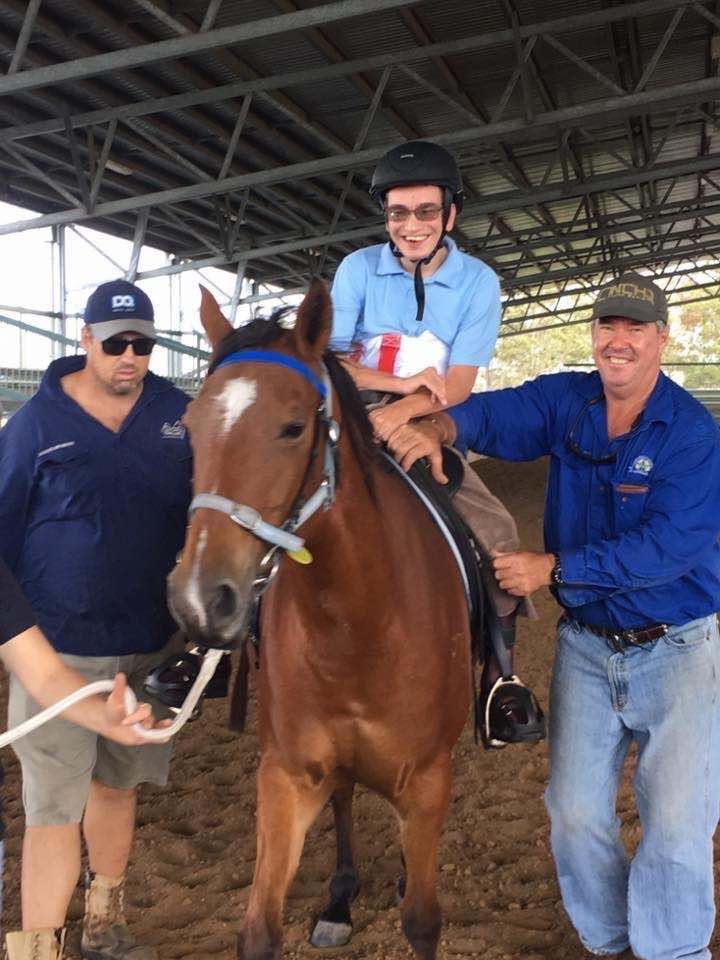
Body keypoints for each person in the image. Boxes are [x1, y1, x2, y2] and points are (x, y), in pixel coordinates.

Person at [388, 271, 720, 960]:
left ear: (662, 337)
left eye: (635, 327)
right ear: (594, 333)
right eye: (608, 325)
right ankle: (610, 941)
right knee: (572, 816)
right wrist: (442, 425)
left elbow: (671, 545)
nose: (618, 339)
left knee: (679, 826)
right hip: (589, 651)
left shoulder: (691, 434)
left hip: (678, 647)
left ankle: (674, 952)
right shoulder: (567, 399)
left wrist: (555, 569)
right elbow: (498, 415)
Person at [0, 279, 193, 960]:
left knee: (120, 783)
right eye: (116, 344)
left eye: (143, 343)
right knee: (54, 806)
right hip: (63, 653)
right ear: (85, 341)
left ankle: (105, 915)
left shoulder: (179, 416)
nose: (130, 357)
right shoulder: (34, 427)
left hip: (151, 646)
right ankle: (40, 945)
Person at [330, 139, 545, 749]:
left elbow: (454, 387)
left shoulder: (479, 283)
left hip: (429, 418)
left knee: (497, 527)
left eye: (426, 212)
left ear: (450, 214)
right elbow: (330, 362)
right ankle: (208, 644)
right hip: (350, 410)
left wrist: (401, 412)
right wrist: (392, 386)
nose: (412, 226)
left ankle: (503, 679)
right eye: (399, 213)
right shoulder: (356, 269)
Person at [0, 557, 166, 960]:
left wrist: (105, 720)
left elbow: (44, 675)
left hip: (142, 640)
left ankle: (95, 929)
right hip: (66, 636)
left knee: (117, 787)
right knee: (53, 810)